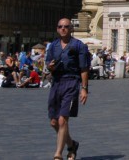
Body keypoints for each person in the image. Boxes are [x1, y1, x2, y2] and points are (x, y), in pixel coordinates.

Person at [46, 18, 89, 160]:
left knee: (62, 120)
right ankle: (71, 144)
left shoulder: (79, 45)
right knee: (53, 122)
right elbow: (48, 65)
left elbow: (84, 68)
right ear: (57, 29)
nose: (63, 28)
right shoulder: (53, 46)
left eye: (66, 26)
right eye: (60, 26)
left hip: (71, 83)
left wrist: (84, 88)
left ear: (71, 29)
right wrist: (50, 67)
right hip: (56, 83)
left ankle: (58, 154)